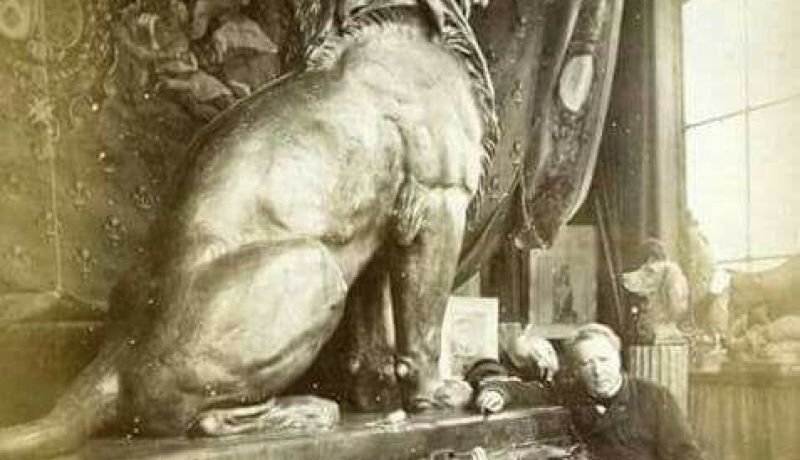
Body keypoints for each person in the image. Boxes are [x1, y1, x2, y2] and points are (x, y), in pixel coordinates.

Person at [472, 323, 708, 460]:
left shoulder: (654, 397)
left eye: (604, 359)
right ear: (577, 369)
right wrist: (497, 392)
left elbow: (686, 456)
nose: (598, 371)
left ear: (618, 358)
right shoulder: (571, 392)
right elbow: (527, 391)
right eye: (587, 363)